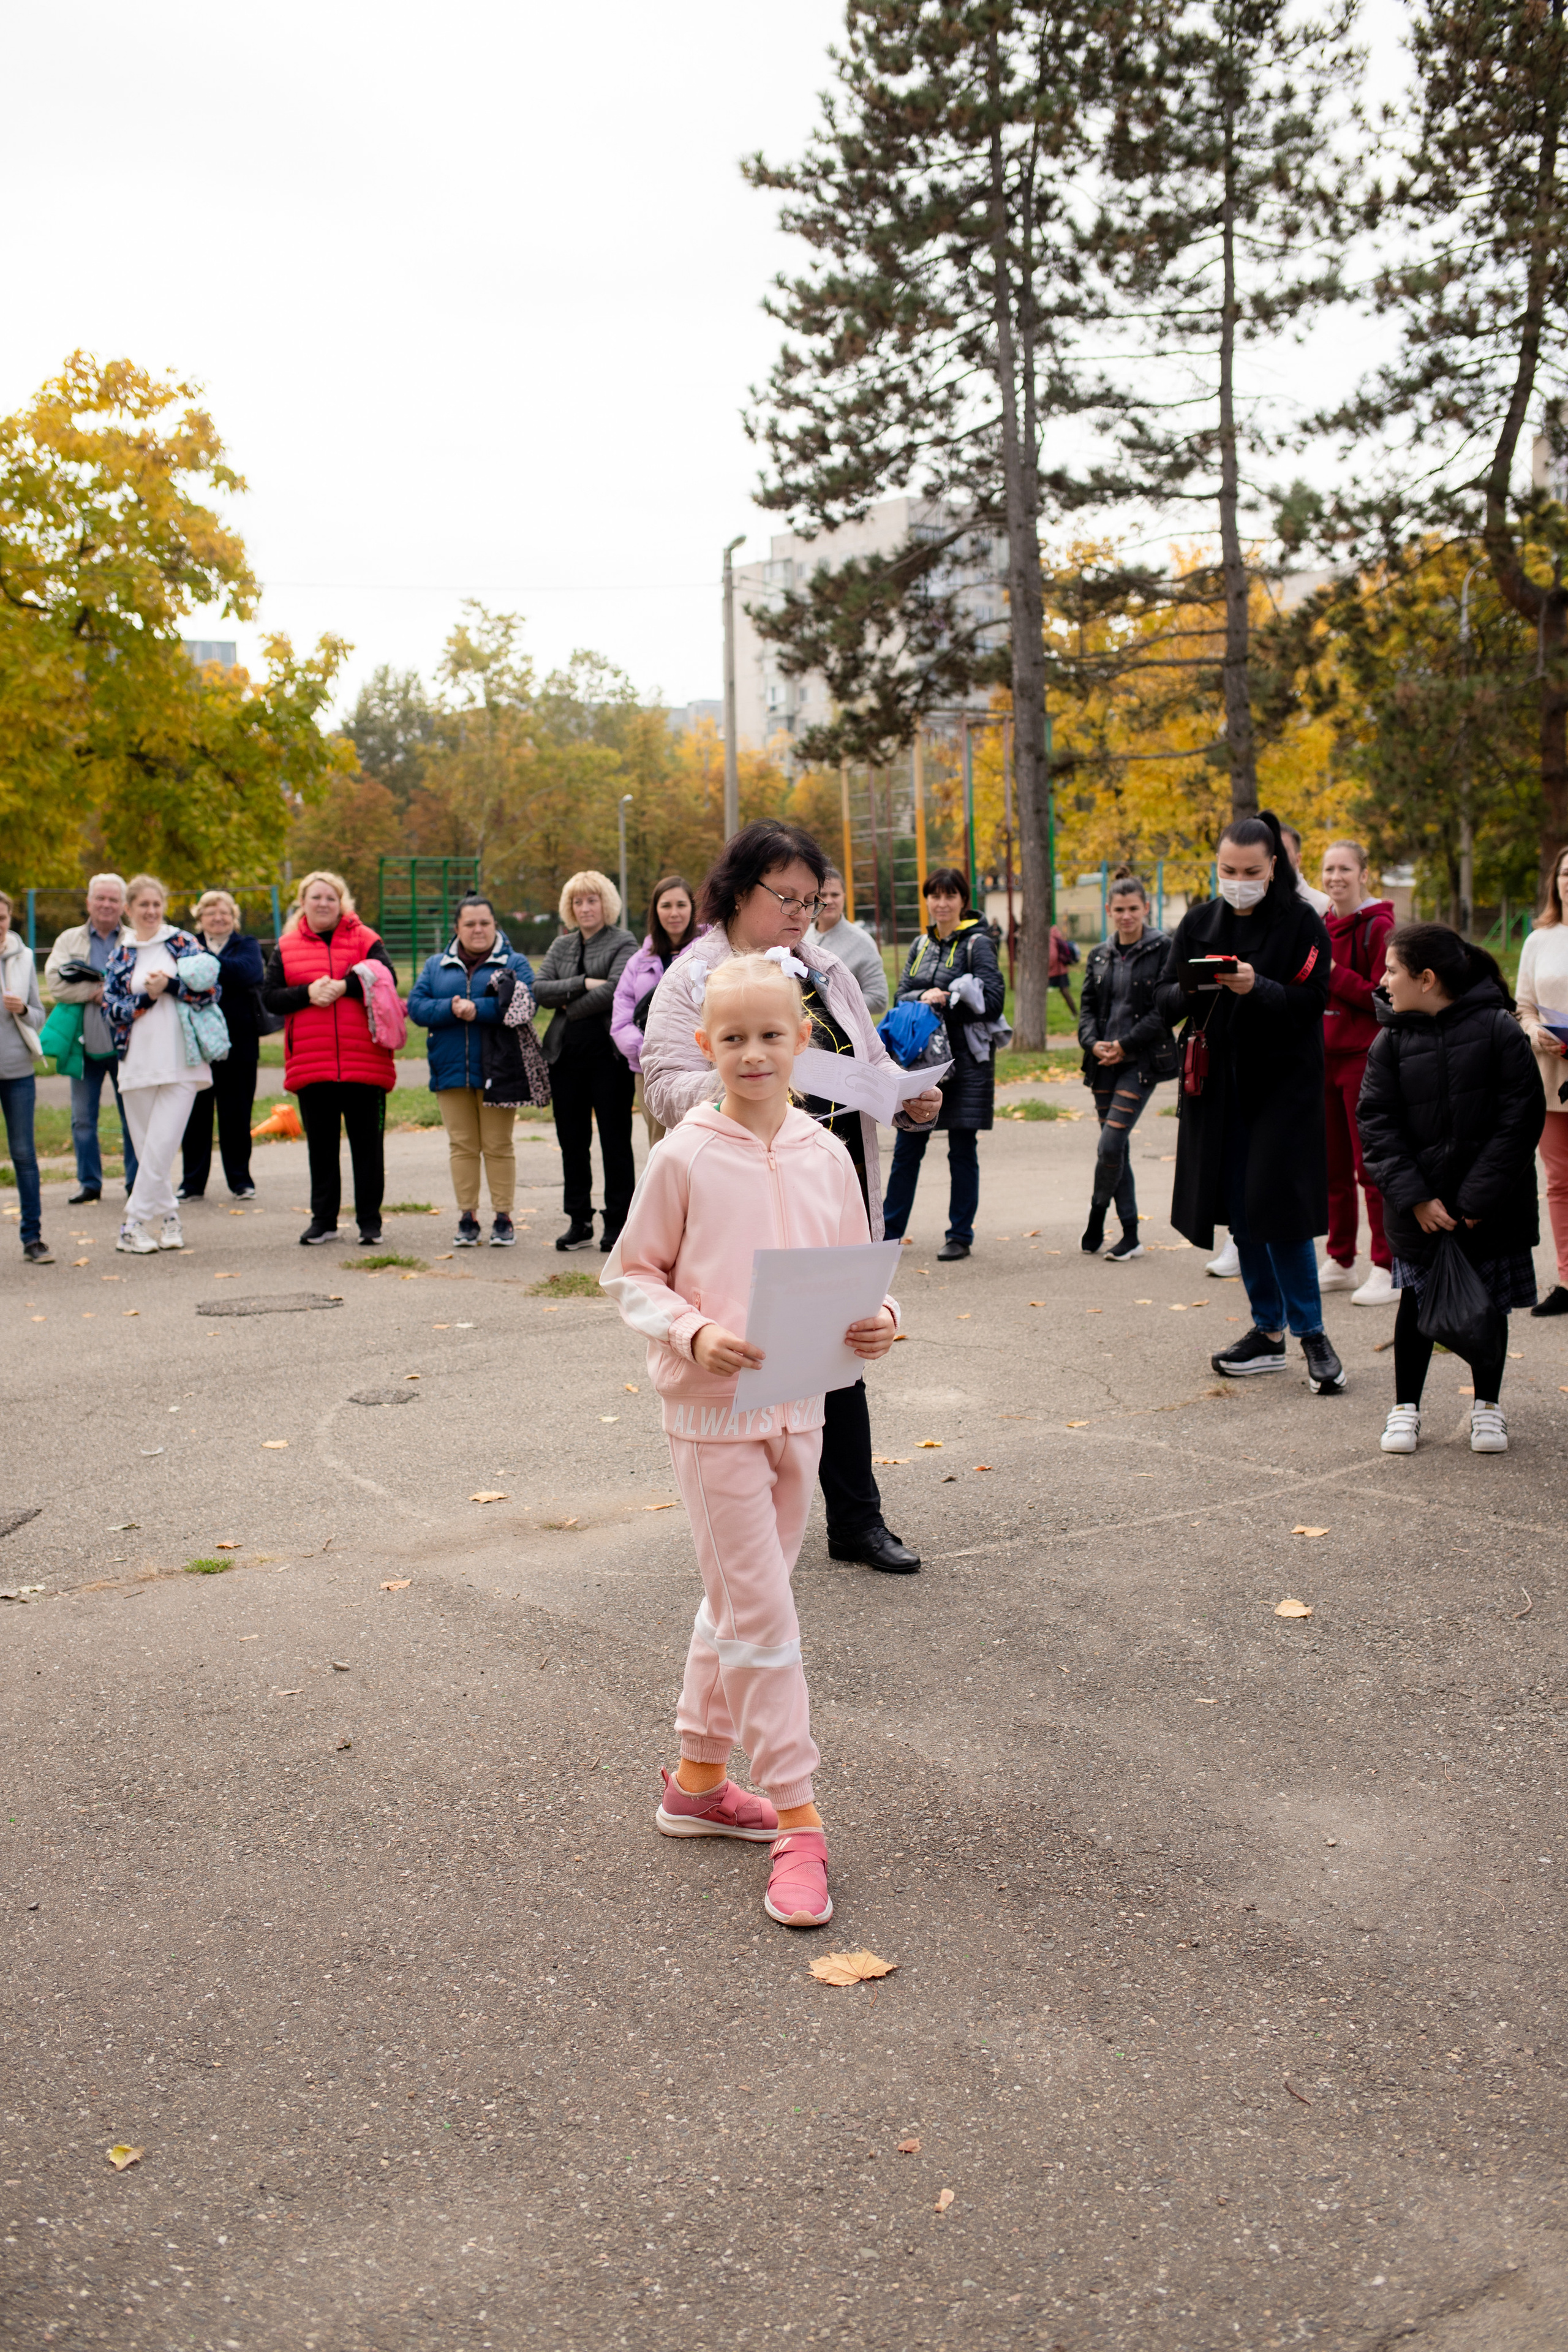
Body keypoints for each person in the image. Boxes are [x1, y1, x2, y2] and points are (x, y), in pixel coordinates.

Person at [603, 952, 900, 1930]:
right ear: (705, 1047)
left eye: (772, 1035)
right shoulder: (682, 1153)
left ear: (803, 1041)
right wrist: (693, 1333)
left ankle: (697, 1780)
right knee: (764, 1614)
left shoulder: (828, 1154)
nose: (753, 1053)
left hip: (801, 1407)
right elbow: (631, 1274)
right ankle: (800, 1823)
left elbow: (860, 1275)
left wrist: (883, 1315)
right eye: (733, 1039)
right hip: (710, 1416)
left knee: (737, 1601)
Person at [643, 818, 941, 1576]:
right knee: (756, 1352)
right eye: (787, 898)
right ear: (740, 893)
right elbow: (664, 1087)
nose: (802, 916)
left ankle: (857, 1521)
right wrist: (756, 1070)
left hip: (828, 1179)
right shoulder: (693, 978)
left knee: (842, 1342)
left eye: (811, 901)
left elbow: (865, 1062)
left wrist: (902, 1102)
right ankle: (748, 1511)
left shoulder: (825, 972)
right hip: (739, 1194)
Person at [1156, 810, 1346, 1395]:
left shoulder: (1300, 924)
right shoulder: (1199, 922)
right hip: (1218, 1092)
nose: (1237, 880)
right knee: (1242, 1213)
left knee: (1281, 1213)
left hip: (1283, 1092)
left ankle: (1311, 1332)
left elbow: (1313, 1001)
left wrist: (1256, 986)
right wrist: (1198, 983)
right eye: (1226, 869)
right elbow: (1163, 998)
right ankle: (1268, 1333)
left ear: (1274, 869)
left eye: (1250, 871)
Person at [1358, 924, 1544, 1455]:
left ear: (1428, 978)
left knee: (1489, 1306)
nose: (1384, 979)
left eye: (1393, 970)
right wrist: (1415, 1196)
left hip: (1488, 1208)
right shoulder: (1390, 1038)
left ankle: (1488, 1406)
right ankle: (1405, 1409)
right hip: (1419, 1209)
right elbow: (1376, 1122)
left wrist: (1475, 1202)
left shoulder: (1498, 1030)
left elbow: (1519, 1121)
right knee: (1416, 1304)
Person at [261, 871, 398, 1248]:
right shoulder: (287, 947)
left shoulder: (367, 939)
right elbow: (270, 997)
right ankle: (324, 1221)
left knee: (368, 1148)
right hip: (312, 1063)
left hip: (364, 1061)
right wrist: (307, 993)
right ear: (303, 903)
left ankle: (370, 1222)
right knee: (321, 1148)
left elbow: (389, 978)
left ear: (342, 904)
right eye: (316, 897)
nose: (324, 904)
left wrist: (345, 986)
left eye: (331, 898)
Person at [880, 867, 1006, 1262]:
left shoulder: (978, 944)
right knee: (907, 1148)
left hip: (965, 1062)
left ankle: (960, 1235)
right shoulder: (921, 943)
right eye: (935, 896)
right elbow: (902, 994)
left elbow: (995, 1001)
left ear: (962, 900)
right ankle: (887, 1234)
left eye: (950, 896)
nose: (942, 903)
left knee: (961, 1149)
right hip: (921, 1061)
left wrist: (948, 996)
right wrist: (926, 995)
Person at [408, 895, 535, 1246]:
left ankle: (503, 1217)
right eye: (470, 924)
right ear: (457, 928)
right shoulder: (436, 965)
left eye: (484, 923)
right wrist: (451, 1007)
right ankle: (467, 1216)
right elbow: (416, 1007)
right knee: (462, 1145)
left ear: (495, 925)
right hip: (449, 1070)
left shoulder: (514, 961)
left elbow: (524, 1004)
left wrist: (476, 1009)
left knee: (498, 1145)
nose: (478, 930)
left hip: (500, 1071)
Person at [102, 876, 216, 1256]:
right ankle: (169, 1217)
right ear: (128, 909)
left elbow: (211, 989)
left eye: (156, 904)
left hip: (183, 1061)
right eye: (143, 906)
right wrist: (146, 999)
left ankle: (131, 1224)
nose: (151, 912)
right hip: (136, 1063)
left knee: (164, 1143)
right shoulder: (121, 954)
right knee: (151, 1148)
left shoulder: (182, 943)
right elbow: (112, 1011)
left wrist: (169, 985)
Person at [534, 871, 638, 1251]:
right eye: (578, 902)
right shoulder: (561, 946)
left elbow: (615, 990)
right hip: (565, 1058)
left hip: (608, 1059)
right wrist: (581, 984)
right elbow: (539, 990)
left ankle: (618, 1222)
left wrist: (568, 1001)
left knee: (615, 1141)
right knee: (571, 1142)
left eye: (591, 900)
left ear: (605, 903)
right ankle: (579, 1220)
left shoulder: (623, 941)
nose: (585, 908)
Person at [1077, 873, 1177, 1263]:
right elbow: (1087, 1007)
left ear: (1146, 908)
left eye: (1133, 908)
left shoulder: (1163, 948)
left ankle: (1097, 1212)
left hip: (1141, 1061)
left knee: (1111, 1144)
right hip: (1102, 1063)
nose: (1126, 916)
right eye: (1119, 910)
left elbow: (1164, 1011)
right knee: (1116, 1152)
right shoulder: (1099, 954)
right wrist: (1093, 1042)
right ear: (1108, 911)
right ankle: (1131, 1234)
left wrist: (1125, 1044)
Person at [1317, 842, 1397, 1305]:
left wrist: (1331, 973)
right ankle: (1341, 1258)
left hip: (1363, 1059)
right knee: (1331, 1167)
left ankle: (1386, 1265)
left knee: (1371, 1168)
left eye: (1345, 868)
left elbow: (1381, 998)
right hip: (1322, 1058)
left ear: (1364, 873)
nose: (1336, 877)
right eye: (1329, 869)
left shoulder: (1379, 927)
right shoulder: (1320, 924)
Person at [45, 872, 137, 1205]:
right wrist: (94, 992)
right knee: (83, 1118)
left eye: (114, 899)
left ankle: (135, 1184)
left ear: (123, 905)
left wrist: (109, 995)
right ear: (89, 902)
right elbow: (56, 984)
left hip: (128, 1043)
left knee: (133, 1117)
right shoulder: (70, 940)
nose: (107, 905)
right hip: (84, 1043)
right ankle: (89, 1183)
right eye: (101, 898)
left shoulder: (134, 938)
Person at [178, 890, 266, 1203]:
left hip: (240, 1043)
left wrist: (203, 967)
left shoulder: (249, 945)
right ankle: (192, 1183)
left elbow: (249, 972)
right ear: (199, 917)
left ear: (234, 918)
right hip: (196, 1044)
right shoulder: (184, 946)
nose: (218, 918)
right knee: (196, 1115)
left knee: (237, 1114)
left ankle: (241, 1180)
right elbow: (181, 979)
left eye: (225, 912)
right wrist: (213, 968)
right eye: (211, 912)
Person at [1515, 842, 1568, 1317]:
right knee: (1558, 1181)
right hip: (1551, 1072)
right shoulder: (1540, 939)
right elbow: (1524, 1006)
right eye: (1566, 874)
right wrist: (1534, 1032)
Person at [611, 873, 701, 1144]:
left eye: (681, 905)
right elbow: (621, 1018)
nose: (674, 913)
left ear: (693, 908)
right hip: (648, 1070)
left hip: (700, 1068)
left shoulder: (710, 954)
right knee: (659, 1146)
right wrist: (649, 1053)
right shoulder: (638, 961)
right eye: (666, 905)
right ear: (655, 911)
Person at [0, 889, 52, 1264]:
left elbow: (39, 1015)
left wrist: (23, 1010)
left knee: (23, 1154)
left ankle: (32, 1239)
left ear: (10, 919)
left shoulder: (23, 959)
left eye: (1, 918)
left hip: (17, 1071)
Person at [803, 867, 889, 1016]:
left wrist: (831, 1005)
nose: (829, 901)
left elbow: (878, 999)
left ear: (844, 897)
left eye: (835, 895)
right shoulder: (802, 936)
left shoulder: (862, 942)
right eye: (823, 895)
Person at [1281, 824, 1333, 916]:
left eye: (1282, 851)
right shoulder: (1253, 900)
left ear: (1298, 860)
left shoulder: (1323, 906)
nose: (1276, 857)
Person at [1048, 921, 1078, 1016]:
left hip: (1054, 970)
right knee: (1065, 992)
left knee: (1038, 992)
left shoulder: (1050, 938)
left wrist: (1047, 968)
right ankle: (1075, 1013)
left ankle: (1037, 1014)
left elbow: (1052, 956)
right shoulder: (1056, 935)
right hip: (1062, 970)